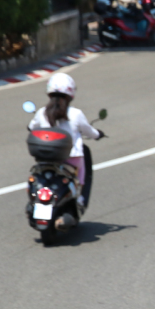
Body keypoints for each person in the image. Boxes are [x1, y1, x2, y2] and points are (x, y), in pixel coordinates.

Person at [28, 72, 100, 211]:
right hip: (72, 159)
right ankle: (79, 198)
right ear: (70, 94)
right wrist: (98, 134)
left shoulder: (42, 112)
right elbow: (89, 131)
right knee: (80, 178)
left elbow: (32, 128)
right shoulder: (76, 114)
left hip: (45, 158)